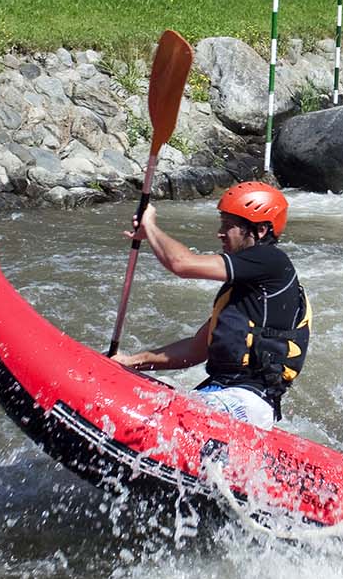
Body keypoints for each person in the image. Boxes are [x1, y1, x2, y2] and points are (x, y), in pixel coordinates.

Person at [110, 182, 310, 428]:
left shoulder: (271, 260)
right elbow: (196, 349)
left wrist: (149, 226)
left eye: (229, 226)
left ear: (260, 230)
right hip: (221, 391)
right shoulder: (246, 290)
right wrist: (130, 362)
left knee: (155, 422)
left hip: (246, 399)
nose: (220, 233)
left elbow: (181, 264)